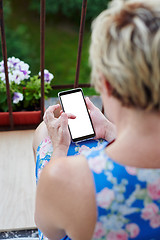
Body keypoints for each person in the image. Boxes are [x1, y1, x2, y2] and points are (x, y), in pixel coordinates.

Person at [33, 0, 160, 239]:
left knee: (42, 135)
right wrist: (111, 130)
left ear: (107, 85)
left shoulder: (65, 179)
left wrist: (59, 150)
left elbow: (49, 231)